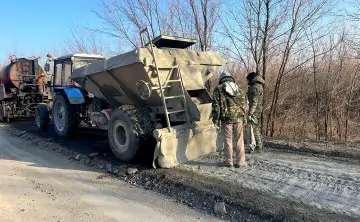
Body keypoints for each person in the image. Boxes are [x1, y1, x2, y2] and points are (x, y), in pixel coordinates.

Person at [212, 71, 248, 168]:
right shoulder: (239, 89)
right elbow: (245, 105)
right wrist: (244, 117)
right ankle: (240, 162)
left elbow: (216, 107)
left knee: (228, 141)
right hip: (239, 118)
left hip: (226, 119)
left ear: (221, 79)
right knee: (239, 140)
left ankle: (229, 162)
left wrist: (215, 121)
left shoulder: (218, 89)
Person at [246, 72, 265, 153]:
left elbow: (254, 102)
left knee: (254, 128)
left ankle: (258, 147)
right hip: (257, 110)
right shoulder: (259, 86)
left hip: (254, 111)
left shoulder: (255, 88)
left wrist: (250, 113)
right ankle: (258, 145)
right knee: (255, 127)